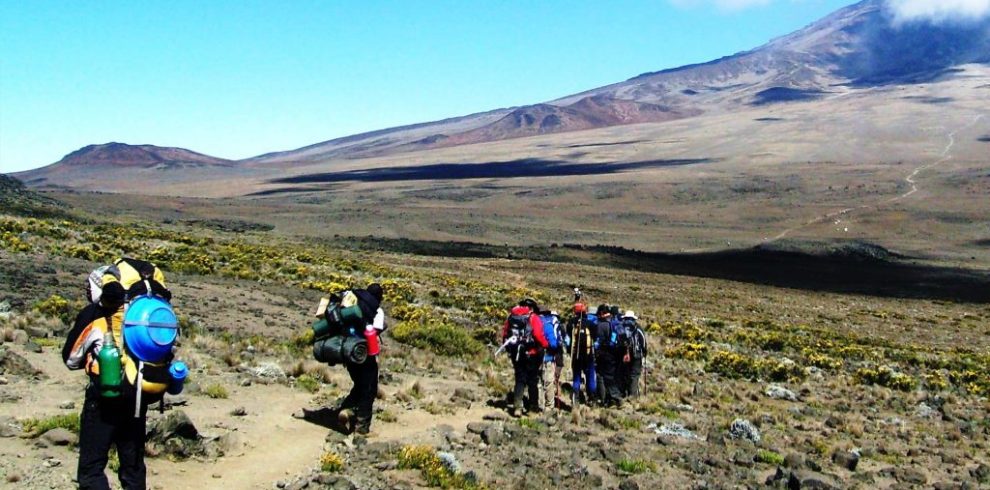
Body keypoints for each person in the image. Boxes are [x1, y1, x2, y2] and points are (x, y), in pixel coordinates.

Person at [62, 259, 174, 490]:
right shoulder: (147, 315)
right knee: (132, 468)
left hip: (104, 397)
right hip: (138, 393)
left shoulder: (96, 315)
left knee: (91, 469)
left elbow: (71, 358)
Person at [336, 283, 386, 435]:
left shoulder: (352, 303)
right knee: (369, 389)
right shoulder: (377, 311)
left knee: (360, 385)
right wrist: (375, 358)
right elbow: (373, 333)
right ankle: (362, 427)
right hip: (364, 353)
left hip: (347, 350)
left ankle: (345, 410)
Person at [501, 298, 549, 416]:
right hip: (532, 353)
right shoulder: (533, 318)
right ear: (532, 308)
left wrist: (510, 349)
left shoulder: (511, 317)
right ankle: (533, 408)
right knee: (532, 380)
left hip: (516, 353)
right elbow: (538, 334)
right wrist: (545, 345)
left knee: (520, 379)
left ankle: (517, 407)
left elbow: (505, 334)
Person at [594, 304, 626, 407]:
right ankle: (610, 399)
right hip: (615, 353)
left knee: (603, 376)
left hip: (604, 354)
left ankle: (613, 398)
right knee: (611, 376)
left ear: (602, 313)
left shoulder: (601, 325)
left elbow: (598, 342)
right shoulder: (615, 323)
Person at [566, 302, 597, 406]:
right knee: (590, 377)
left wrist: (569, 351)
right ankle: (591, 398)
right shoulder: (590, 324)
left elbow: (567, 340)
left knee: (577, 377)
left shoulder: (571, 323)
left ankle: (576, 398)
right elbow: (595, 339)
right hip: (588, 356)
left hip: (576, 356)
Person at [538, 310, 565, 411]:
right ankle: (549, 405)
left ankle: (538, 403)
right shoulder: (548, 325)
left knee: (538, 381)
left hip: (534, 357)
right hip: (547, 356)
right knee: (548, 381)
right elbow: (554, 343)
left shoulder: (532, 322)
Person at [621, 310, 648, 398]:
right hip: (636, 354)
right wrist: (644, 352)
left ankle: (624, 392)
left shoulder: (622, 326)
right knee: (634, 374)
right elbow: (643, 341)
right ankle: (632, 395)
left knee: (625, 373)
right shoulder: (637, 327)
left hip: (625, 353)